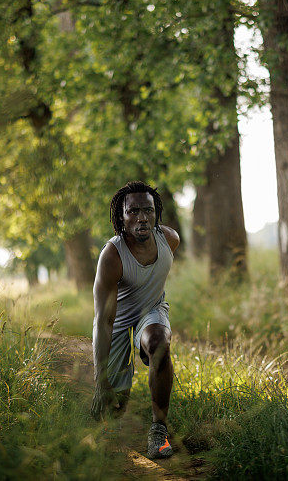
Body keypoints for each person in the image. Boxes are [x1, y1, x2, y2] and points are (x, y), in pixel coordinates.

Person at [90, 181, 180, 459]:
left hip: (151, 312)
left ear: (156, 213)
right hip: (116, 322)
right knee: (113, 408)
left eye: (148, 211)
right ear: (121, 216)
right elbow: (102, 321)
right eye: (133, 211)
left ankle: (158, 432)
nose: (142, 217)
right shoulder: (112, 256)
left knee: (159, 344)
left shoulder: (170, 240)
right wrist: (100, 378)